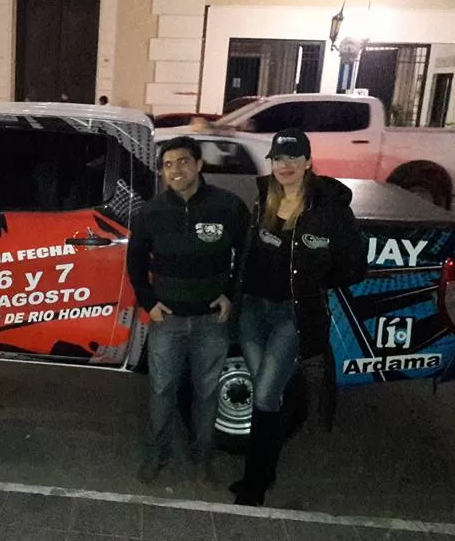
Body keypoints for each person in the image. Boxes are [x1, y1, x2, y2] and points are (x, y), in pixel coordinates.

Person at [230, 128, 367, 506]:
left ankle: (255, 484)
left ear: (308, 161)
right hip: (253, 311)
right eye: (278, 158)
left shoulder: (331, 211)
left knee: (267, 392)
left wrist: (314, 284)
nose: (285, 166)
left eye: (293, 158)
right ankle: (265, 469)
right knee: (266, 391)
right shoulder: (262, 200)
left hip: (291, 316)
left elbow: (354, 268)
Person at [127, 136, 250, 484]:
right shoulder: (152, 212)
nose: (175, 170)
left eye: (182, 162)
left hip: (212, 320)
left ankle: (202, 456)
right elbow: (135, 261)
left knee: (206, 391)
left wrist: (230, 295)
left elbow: (245, 257)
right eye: (167, 165)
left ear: (198, 165)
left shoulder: (228, 207)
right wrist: (149, 303)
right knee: (162, 390)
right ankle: (157, 455)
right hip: (168, 321)